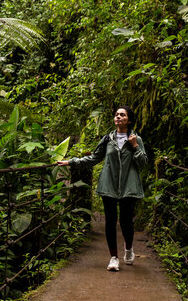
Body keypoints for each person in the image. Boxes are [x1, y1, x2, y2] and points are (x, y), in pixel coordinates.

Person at [57, 106, 148, 271]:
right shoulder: (107, 139)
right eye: (116, 115)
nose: (118, 117)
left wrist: (134, 146)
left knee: (126, 222)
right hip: (109, 186)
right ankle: (113, 257)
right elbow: (94, 158)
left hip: (129, 186)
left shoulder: (136, 139)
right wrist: (71, 162)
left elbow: (143, 163)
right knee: (110, 222)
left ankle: (128, 249)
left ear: (129, 119)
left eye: (122, 115)